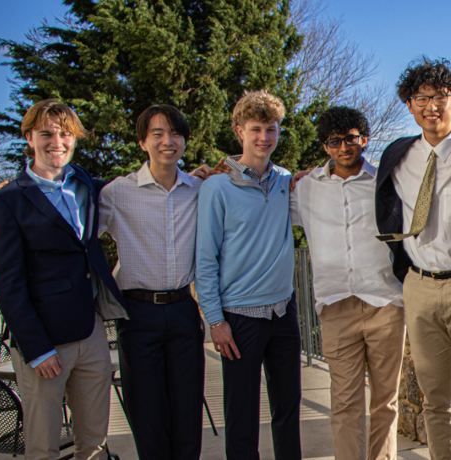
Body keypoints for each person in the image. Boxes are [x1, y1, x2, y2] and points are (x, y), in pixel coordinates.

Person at [373, 57, 451, 460]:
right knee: (435, 398)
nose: (431, 106)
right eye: (421, 98)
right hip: (419, 286)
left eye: (440, 97)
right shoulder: (398, 153)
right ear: (409, 105)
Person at [0, 99, 128, 460]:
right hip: (45, 342)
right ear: (29, 137)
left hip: (91, 332)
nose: (57, 142)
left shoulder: (84, 184)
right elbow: (7, 284)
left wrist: (195, 175)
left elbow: (133, 189)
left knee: (94, 442)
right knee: (43, 446)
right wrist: (38, 349)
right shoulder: (7, 201)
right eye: (46, 134)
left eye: (66, 134)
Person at [290, 106, 406, 460]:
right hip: (336, 304)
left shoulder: (387, 181)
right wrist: (226, 168)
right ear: (325, 145)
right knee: (344, 403)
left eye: (351, 139)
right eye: (334, 141)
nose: (344, 147)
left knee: (386, 401)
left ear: (364, 139)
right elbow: (260, 190)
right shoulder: (304, 188)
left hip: (385, 302)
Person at [99, 104, 210, 460]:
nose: (167, 141)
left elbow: (238, 172)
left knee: (188, 410)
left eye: (175, 134)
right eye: (157, 134)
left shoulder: (199, 189)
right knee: (147, 413)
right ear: (142, 142)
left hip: (183, 310)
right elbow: (76, 229)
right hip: (137, 313)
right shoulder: (117, 193)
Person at [194, 90, 300, 460]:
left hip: (283, 310)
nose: (264, 138)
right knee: (241, 416)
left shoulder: (284, 180)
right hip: (239, 317)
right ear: (240, 131)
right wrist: (215, 320)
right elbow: (205, 259)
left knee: (288, 409)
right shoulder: (216, 187)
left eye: (271, 129)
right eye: (256, 129)